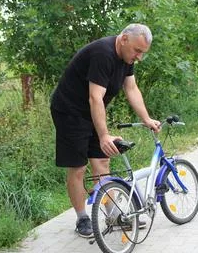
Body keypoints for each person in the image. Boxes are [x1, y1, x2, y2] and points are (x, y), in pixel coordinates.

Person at [50, 23, 160, 238]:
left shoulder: (126, 58)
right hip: (69, 112)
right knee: (78, 167)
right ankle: (82, 218)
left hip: (92, 111)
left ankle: (113, 214)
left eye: (142, 53)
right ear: (124, 38)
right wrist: (103, 135)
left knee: (103, 161)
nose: (138, 57)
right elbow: (95, 97)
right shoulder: (103, 53)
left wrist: (146, 119)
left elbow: (131, 88)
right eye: (137, 51)